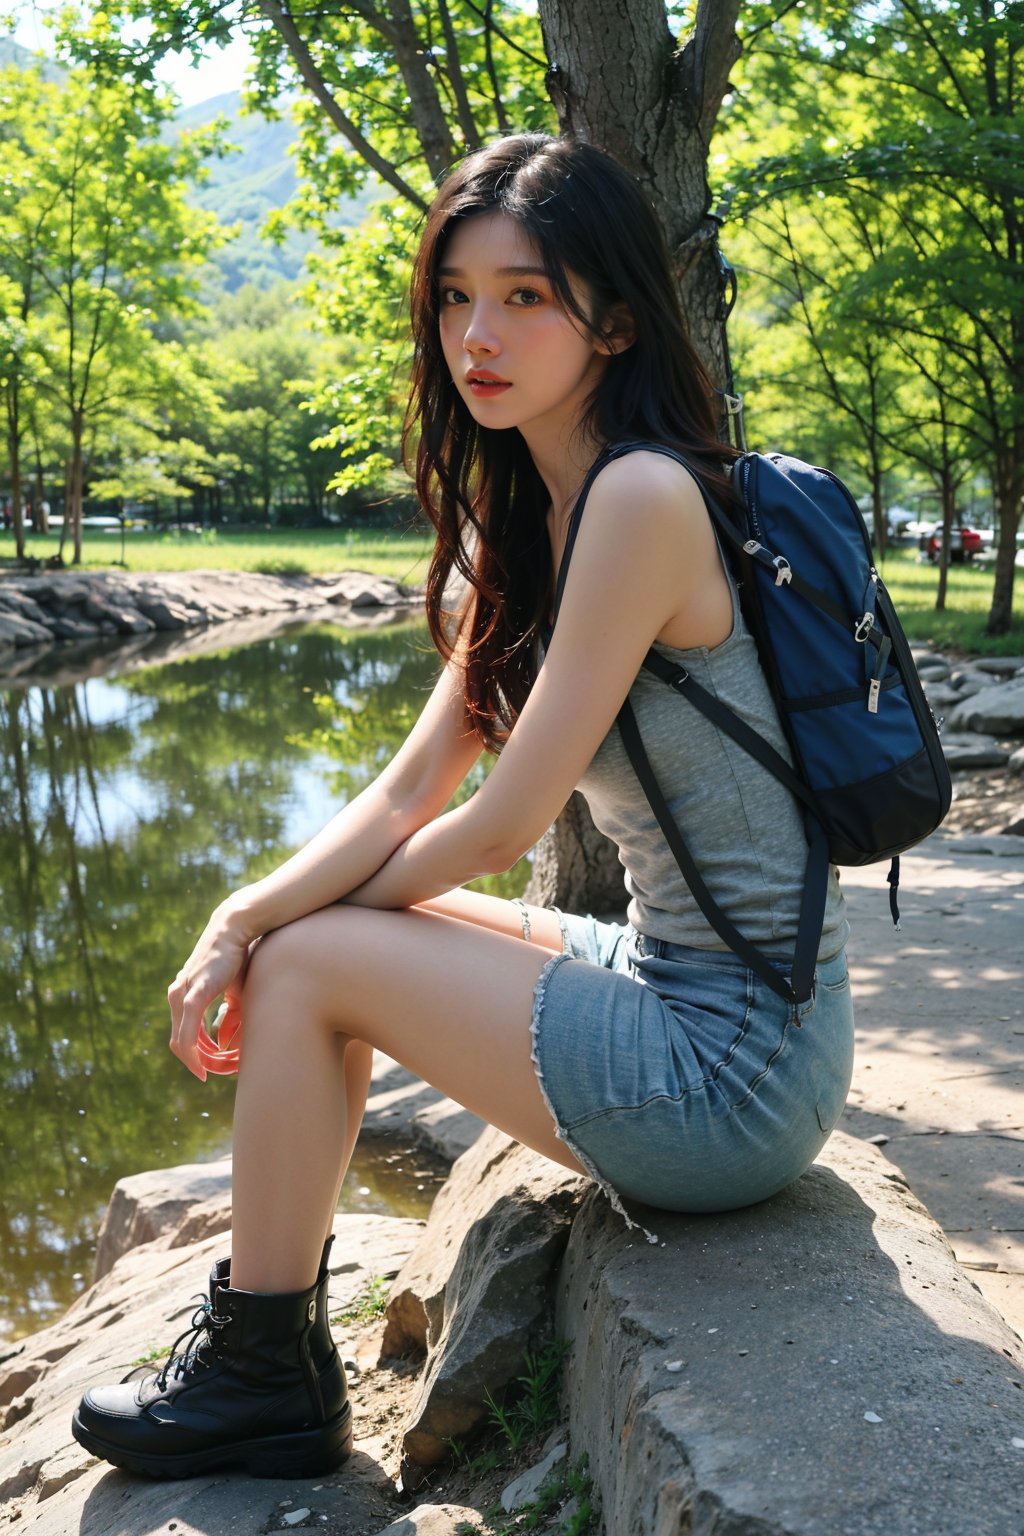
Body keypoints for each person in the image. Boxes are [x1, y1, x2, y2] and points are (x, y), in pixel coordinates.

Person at [71, 132, 854, 1481]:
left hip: (737, 1070)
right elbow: (409, 789)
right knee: (316, 939)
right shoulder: (534, 514)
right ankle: (269, 1350)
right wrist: (240, 912)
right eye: (452, 295)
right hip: (694, 990)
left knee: (323, 960)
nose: (475, 334)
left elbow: (499, 826)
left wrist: (281, 942)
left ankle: (264, 1372)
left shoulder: (643, 498)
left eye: (524, 296)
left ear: (610, 318)